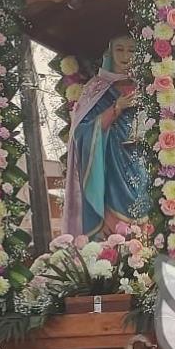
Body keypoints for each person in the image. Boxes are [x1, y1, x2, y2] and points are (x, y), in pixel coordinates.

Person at [62, 35, 150, 238]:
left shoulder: (149, 87)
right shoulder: (96, 88)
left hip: (140, 162)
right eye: (120, 50)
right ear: (109, 54)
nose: (126, 55)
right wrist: (116, 108)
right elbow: (81, 133)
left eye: (131, 50)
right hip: (109, 165)